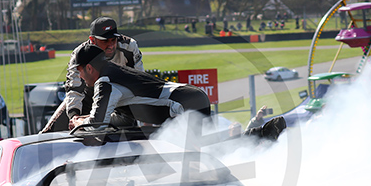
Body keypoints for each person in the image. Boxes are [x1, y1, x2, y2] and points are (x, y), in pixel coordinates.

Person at [70, 45, 286, 141]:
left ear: (89, 67)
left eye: (79, 71)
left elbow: (97, 127)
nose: (79, 77)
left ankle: (260, 135)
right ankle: (259, 134)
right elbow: (124, 119)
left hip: (182, 103)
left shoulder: (105, 82)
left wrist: (80, 122)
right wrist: (88, 118)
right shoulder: (113, 74)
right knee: (202, 151)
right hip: (188, 97)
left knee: (197, 154)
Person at [40, 16, 144, 133]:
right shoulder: (79, 54)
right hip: (88, 95)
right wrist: (74, 117)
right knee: (48, 131)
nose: (110, 46)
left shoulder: (130, 47)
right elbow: (74, 89)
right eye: (104, 41)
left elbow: (139, 82)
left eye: (113, 40)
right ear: (92, 40)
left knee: (132, 132)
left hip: (120, 97)